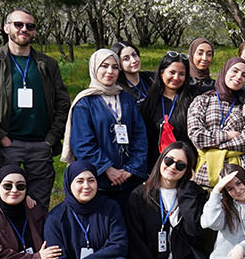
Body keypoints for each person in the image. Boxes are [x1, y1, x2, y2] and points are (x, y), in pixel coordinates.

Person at [0, 8, 69, 207]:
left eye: (30, 26)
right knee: (5, 202)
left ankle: (35, 239)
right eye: (18, 24)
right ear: (6, 28)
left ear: (34, 32)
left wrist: (51, 139)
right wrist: (1, 137)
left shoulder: (47, 64)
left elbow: (63, 103)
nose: (24, 29)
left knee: (38, 204)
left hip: (40, 145)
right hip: (7, 145)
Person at [123, 140, 209, 259]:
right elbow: (134, 242)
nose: (172, 167)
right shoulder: (139, 195)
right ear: (161, 160)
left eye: (180, 165)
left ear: (188, 170)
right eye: (169, 160)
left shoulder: (192, 194)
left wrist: (187, 193)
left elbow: (195, 231)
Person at [65, 48, 150, 198]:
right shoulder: (85, 103)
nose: (110, 71)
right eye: (104, 66)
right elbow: (82, 143)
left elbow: (140, 136)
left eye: (115, 67)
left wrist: (130, 169)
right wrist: (107, 169)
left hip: (129, 180)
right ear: (94, 68)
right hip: (99, 182)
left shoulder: (127, 99)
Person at [187, 57, 245, 186]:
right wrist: (227, 136)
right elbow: (196, 135)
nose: (238, 77)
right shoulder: (202, 101)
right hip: (207, 175)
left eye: (244, 75)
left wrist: (212, 147)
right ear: (225, 71)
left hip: (243, 176)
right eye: (235, 71)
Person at [146, 52, 195, 159]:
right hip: (154, 164)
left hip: (182, 164)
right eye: (172, 72)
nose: (176, 77)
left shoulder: (192, 101)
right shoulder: (150, 102)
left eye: (181, 74)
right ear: (161, 73)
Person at [115, 43, 153, 110]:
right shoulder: (118, 90)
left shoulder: (151, 78)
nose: (134, 60)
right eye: (126, 59)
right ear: (119, 65)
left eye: (134, 55)